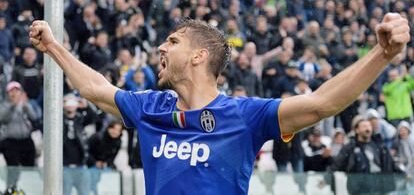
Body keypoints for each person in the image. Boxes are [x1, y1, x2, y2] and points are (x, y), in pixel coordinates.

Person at [29, 13, 409, 194]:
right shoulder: (150, 107)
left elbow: (323, 103)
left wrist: (383, 53)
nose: (161, 46)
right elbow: (96, 88)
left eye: (174, 41)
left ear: (199, 57)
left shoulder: (244, 116)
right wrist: (53, 47)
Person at [330, 116, 403, 194]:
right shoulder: (350, 147)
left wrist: (403, 174)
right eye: (364, 126)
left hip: (380, 188)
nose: (367, 129)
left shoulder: (379, 145)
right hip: (360, 189)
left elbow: (390, 163)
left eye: (369, 126)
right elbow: (336, 165)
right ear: (357, 130)